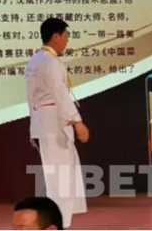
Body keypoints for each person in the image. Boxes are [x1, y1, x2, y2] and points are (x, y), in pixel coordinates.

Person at [25, 18, 88, 229]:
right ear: (55, 36)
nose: (67, 40)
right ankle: (60, 222)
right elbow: (60, 94)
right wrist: (77, 121)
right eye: (66, 36)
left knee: (57, 175)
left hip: (43, 121)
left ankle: (59, 221)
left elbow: (31, 99)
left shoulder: (35, 60)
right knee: (61, 176)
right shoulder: (49, 62)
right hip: (53, 122)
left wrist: (33, 128)